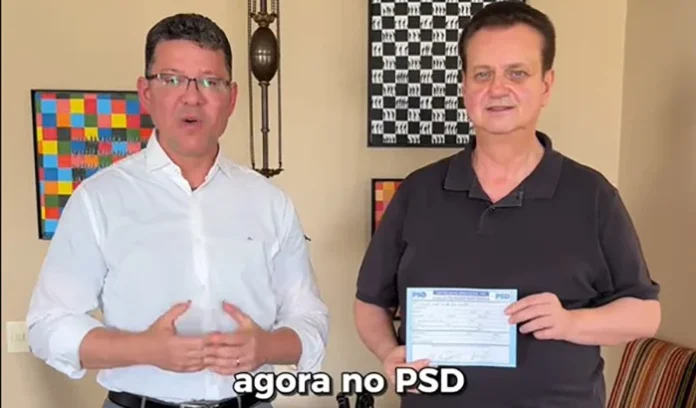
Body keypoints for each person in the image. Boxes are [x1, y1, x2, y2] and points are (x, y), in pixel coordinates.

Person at [354, 2, 661, 407]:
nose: (497, 89)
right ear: (464, 86)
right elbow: (370, 303)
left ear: (546, 85)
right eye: (483, 74)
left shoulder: (593, 195)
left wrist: (570, 322)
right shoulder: (417, 192)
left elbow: (644, 314)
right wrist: (389, 352)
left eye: (517, 73)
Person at [26, 13, 329, 408]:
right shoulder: (99, 199)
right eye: (172, 79)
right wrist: (144, 349)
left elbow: (310, 319)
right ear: (146, 92)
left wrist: (266, 347)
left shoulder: (270, 202)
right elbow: (48, 325)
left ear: (231, 97)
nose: (192, 97)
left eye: (210, 81)